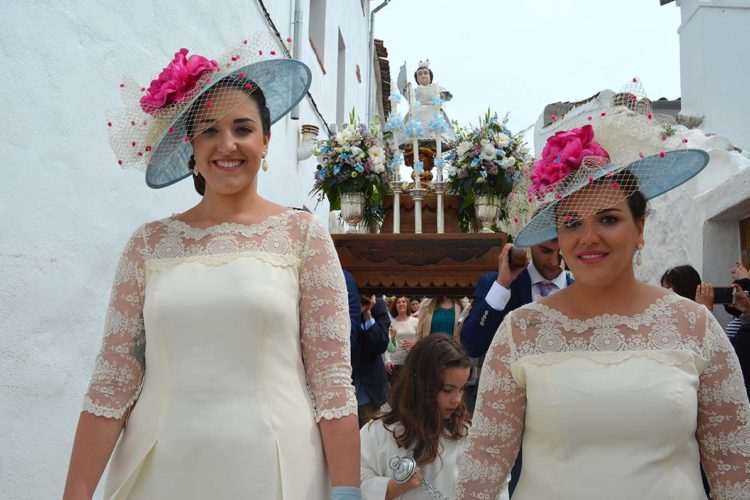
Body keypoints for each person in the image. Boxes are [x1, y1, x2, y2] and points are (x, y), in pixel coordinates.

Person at [64, 34, 361, 500]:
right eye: (209, 129)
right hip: (159, 469)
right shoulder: (148, 244)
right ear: (192, 145)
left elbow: (332, 382)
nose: (228, 144)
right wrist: (76, 492)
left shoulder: (303, 236)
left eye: (243, 128)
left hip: (275, 470)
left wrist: (347, 492)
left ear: (265, 141)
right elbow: (113, 380)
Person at [455, 124, 749, 499]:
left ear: (640, 227)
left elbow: (735, 471)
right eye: (572, 223)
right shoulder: (521, 331)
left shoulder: (693, 325)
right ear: (559, 237)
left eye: (608, 219)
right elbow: (483, 469)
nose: (588, 237)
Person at [360, 335, 509, 500]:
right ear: (420, 384)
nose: (457, 399)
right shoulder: (379, 433)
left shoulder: (468, 435)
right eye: (447, 389)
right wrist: (393, 487)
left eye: (461, 389)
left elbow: (495, 484)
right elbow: (356, 483)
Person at [461, 239, 572, 359]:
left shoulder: (583, 291)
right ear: (531, 244)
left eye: (562, 252)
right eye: (546, 251)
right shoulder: (498, 284)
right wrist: (502, 285)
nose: (555, 262)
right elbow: (471, 346)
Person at [353, 295, 391, 428]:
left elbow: (381, 344)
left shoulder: (377, 305)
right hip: (340, 386)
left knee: (369, 435)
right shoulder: (340, 300)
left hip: (368, 388)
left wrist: (367, 315)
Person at [385, 296, 419, 384]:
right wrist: (387, 360)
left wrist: (415, 343)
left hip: (412, 362)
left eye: (403, 301)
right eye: (398, 302)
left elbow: (422, 338)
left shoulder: (416, 321)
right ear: (395, 305)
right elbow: (387, 343)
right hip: (395, 364)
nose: (401, 304)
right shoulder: (391, 323)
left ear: (407, 304)